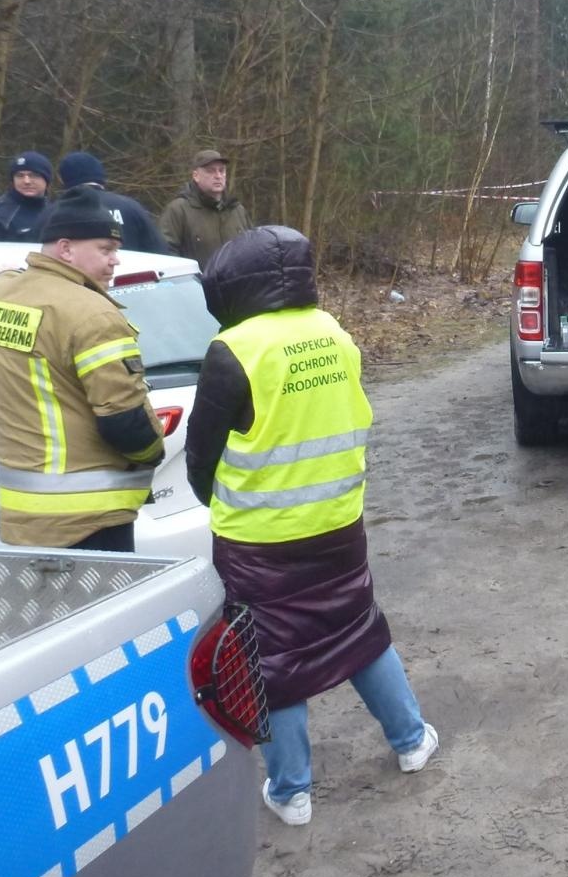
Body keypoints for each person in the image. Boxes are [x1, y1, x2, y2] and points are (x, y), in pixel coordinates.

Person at [184, 225, 437, 827]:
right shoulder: (334, 334)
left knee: (270, 658)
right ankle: (411, 742)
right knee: (359, 631)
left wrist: (219, 504)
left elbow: (201, 457)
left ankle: (291, 791)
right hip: (339, 526)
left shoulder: (235, 349)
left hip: (258, 541)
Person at [0, 188, 165, 551]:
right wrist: (153, 453)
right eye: (106, 250)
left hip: (21, 512)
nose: (115, 261)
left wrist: (9, 275)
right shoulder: (93, 315)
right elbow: (125, 423)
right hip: (90, 517)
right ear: (65, 249)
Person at [57, 151, 170, 255]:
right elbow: (159, 251)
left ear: (63, 180)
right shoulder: (131, 207)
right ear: (101, 176)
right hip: (133, 273)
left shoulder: (56, 211)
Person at [160, 149, 254, 268]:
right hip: (197, 285)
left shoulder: (237, 210)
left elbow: (253, 250)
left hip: (237, 284)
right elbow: (166, 254)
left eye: (222, 170)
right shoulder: (178, 210)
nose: (218, 176)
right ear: (196, 176)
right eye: (211, 171)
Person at [0, 151, 53, 243]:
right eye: (20, 176)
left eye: (33, 175)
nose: (26, 181)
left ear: (46, 179)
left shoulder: (55, 211)